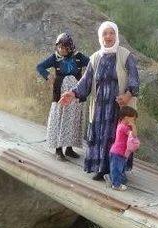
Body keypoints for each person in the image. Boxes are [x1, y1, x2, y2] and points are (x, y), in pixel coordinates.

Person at [60, 21, 140, 180]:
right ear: (100, 37)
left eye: (112, 33)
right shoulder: (95, 58)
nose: (108, 36)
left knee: (118, 137)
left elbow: (134, 79)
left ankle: (117, 170)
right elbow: (86, 81)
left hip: (119, 106)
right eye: (105, 33)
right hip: (100, 107)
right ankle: (101, 168)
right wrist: (73, 93)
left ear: (116, 35)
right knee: (101, 136)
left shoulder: (125, 55)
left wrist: (128, 95)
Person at [37, 33, 90, 161]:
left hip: (75, 96)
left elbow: (92, 65)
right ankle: (58, 150)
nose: (61, 50)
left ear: (70, 47)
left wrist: (87, 79)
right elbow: (40, 66)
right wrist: (47, 75)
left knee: (73, 120)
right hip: (60, 95)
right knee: (59, 119)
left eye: (64, 47)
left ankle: (69, 149)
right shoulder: (55, 58)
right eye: (59, 47)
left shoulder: (78, 57)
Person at [105, 106, 139, 191]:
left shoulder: (123, 125)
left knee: (120, 169)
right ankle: (116, 185)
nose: (134, 121)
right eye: (133, 119)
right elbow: (133, 135)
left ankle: (110, 178)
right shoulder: (123, 127)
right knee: (117, 169)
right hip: (118, 152)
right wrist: (134, 126)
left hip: (122, 153)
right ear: (127, 118)